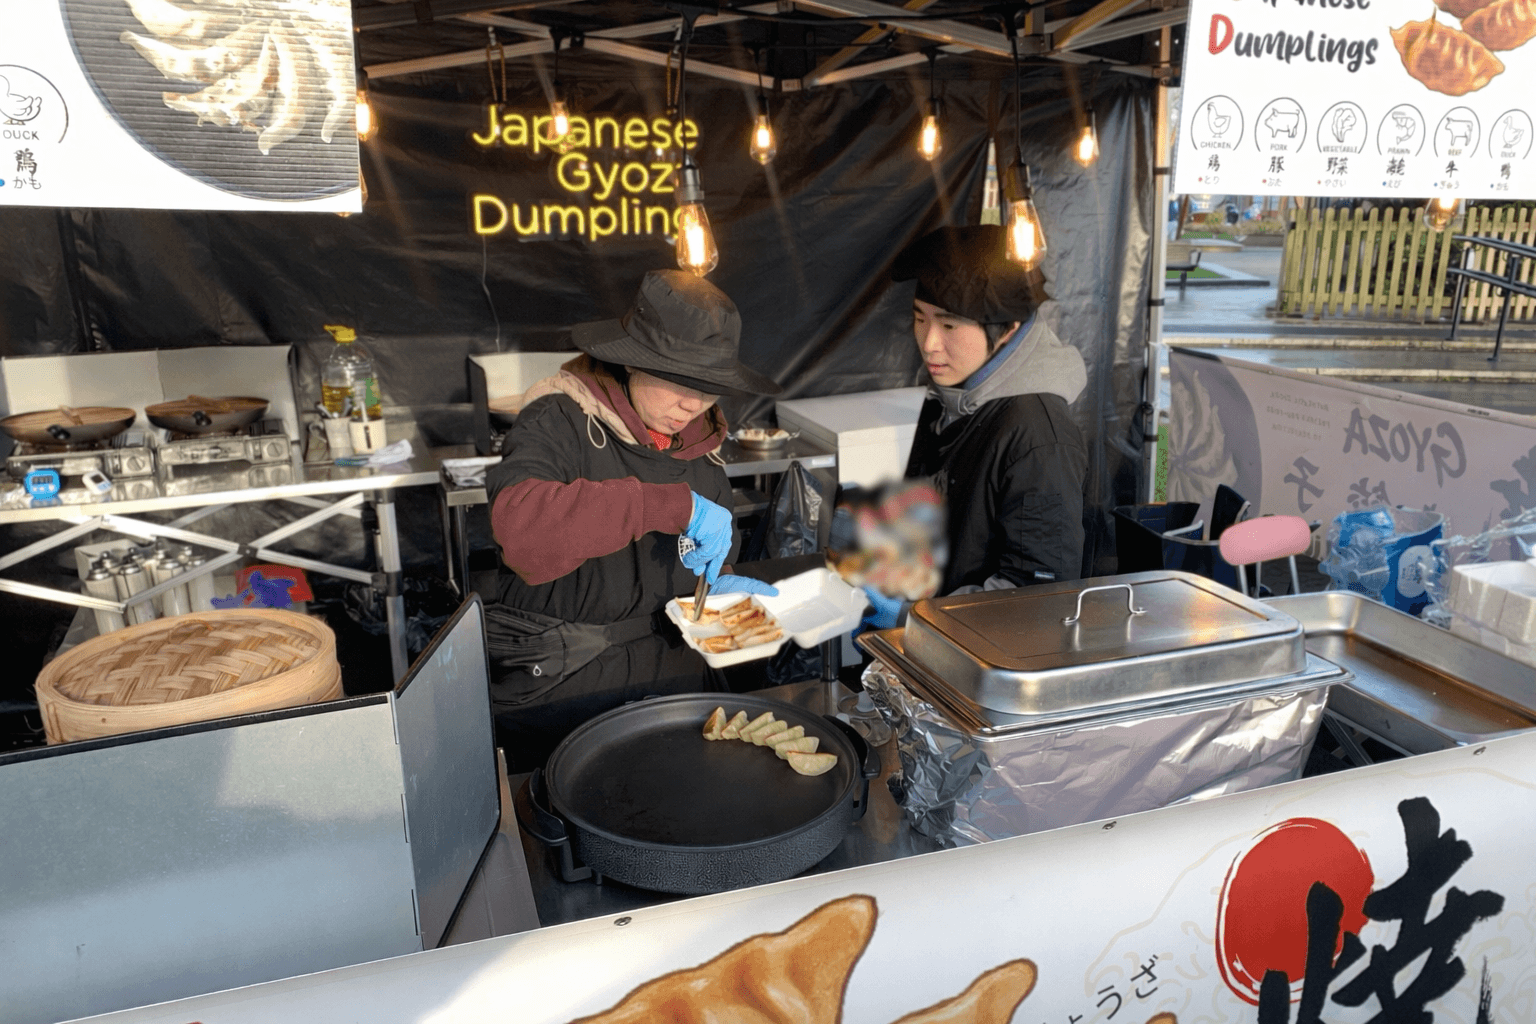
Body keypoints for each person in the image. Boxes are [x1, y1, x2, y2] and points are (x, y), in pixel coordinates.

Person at [484, 269, 781, 770]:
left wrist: (721, 588)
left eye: (709, 388)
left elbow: (697, 557)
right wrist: (668, 506)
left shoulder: (700, 442)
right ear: (630, 362)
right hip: (562, 687)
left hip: (674, 683)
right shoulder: (558, 419)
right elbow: (522, 532)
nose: (692, 404)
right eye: (678, 381)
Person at [865, 225, 1088, 627]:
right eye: (920, 319)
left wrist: (916, 618)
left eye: (949, 326)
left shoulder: (1038, 434)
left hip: (981, 663)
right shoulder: (951, 395)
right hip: (930, 644)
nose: (930, 343)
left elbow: (1035, 594)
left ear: (1008, 329)